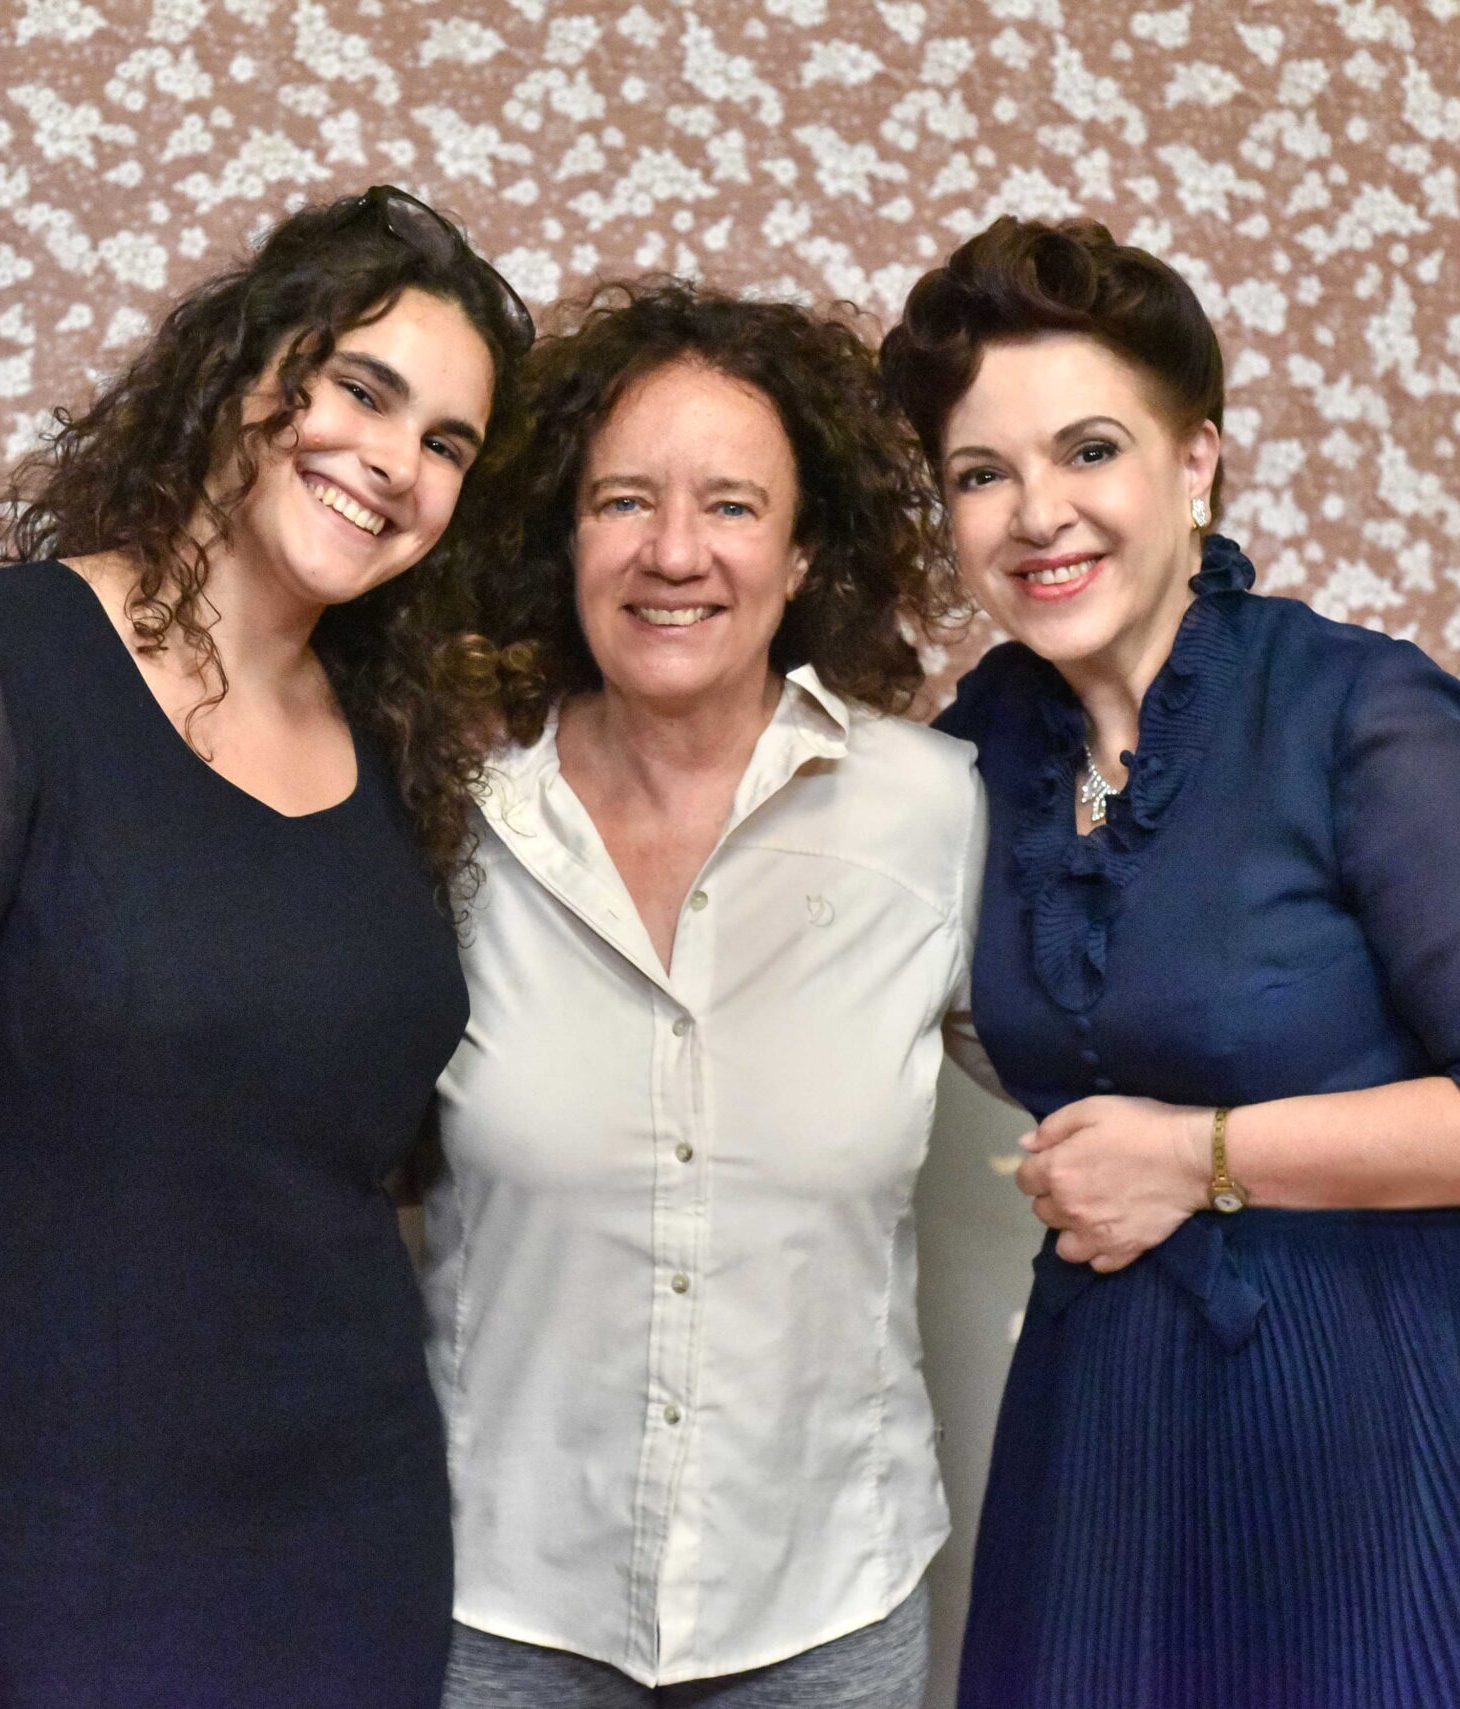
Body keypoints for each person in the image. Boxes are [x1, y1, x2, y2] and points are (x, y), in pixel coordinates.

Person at [0, 186, 531, 1709]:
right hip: (39, 1553)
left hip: (351, 1546)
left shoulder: (391, 751)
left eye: (447, 445)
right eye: (362, 390)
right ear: (244, 369)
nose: (395, 463)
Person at [879, 216, 1460, 1708]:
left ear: (1198, 464)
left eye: (1090, 450)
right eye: (982, 475)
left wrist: (1197, 1155)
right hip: (1113, 1431)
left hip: (1393, 1429)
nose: (1038, 514)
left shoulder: (1355, 712)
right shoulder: (982, 749)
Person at [423, 280, 978, 1707]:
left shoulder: (935, 816)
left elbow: (1116, 1050)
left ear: (802, 555)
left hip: (825, 1606)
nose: (674, 552)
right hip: (499, 1604)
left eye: (732, 505)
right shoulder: (450, 819)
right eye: (624, 501)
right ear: (564, 536)